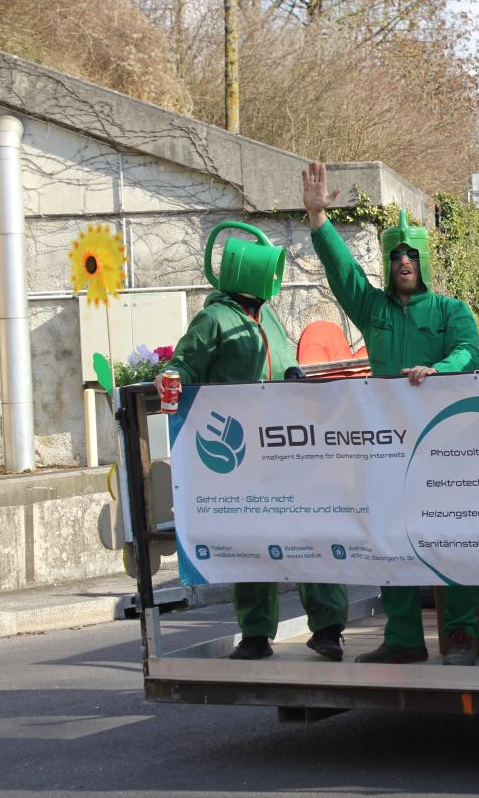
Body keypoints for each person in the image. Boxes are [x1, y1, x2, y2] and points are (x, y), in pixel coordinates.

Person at [301, 161, 479, 666]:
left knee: (452, 535)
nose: (404, 260)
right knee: (389, 538)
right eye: (396, 254)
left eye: (411, 253)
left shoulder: (451, 311)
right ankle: (403, 638)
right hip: (387, 447)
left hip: (446, 445)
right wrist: (318, 219)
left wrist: (439, 369)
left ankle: (462, 634)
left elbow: (470, 353)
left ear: (424, 260)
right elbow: (344, 274)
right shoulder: (374, 309)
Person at [159, 268, 349, 662]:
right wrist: (172, 375)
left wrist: (294, 375)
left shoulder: (269, 316)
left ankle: (328, 629)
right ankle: (256, 634)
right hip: (244, 452)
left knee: (311, 532)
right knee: (252, 539)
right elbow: (185, 364)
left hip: (286, 445)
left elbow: (284, 364)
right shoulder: (213, 319)